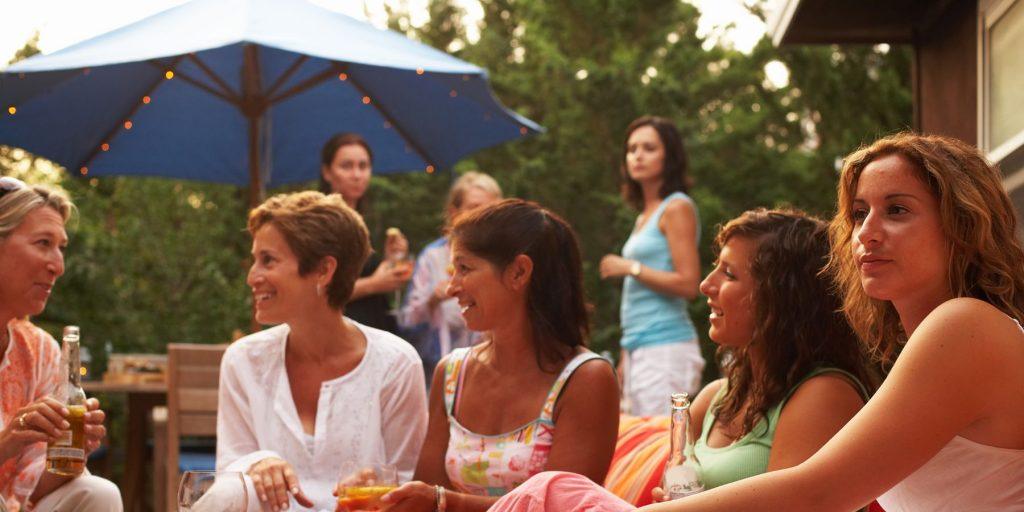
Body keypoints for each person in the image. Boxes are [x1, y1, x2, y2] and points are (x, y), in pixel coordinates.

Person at [497, 133, 1024, 511]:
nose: (867, 232)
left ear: (962, 224)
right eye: (859, 212)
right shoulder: (936, 340)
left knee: (551, 493)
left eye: (898, 210)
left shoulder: (965, 327)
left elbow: (817, 494)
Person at [487, 208, 872, 511]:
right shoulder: (716, 398)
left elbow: (791, 507)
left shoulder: (824, 393)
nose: (707, 285)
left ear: (782, 298)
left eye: (729, 274)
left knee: (553, 489)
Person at [376, 199, 620, 512]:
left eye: (464, 268)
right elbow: (426, 503)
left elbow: (559, 507)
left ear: (519, 272)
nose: (452, 288)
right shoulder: (452, 373)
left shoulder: (584, 379)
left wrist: (447, 503)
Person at [216, 191, 428, 511]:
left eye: (268, 260)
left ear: (323, 271)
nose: (252, 277)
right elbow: (228, 476)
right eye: (255, 259)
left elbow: (414, 487)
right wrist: (256, 464)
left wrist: (379, 488)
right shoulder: (243, 359)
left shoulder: (396, 363)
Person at [0, 177, 122, 512]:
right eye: (43, 243)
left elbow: (32, 486)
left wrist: (71, 451)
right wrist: (7, 442)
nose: (58, 266)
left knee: (98, 493)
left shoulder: (38, 350)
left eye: (61, 247)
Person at [600, 116, 704, 416]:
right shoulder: (645, 214)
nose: (638, 155)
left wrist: (631, 267)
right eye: (632, 149)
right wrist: (625, 353)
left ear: (669, 155)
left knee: (660, 448)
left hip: (666, 347)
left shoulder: (677, 207)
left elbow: (689, 283)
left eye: (649, 147)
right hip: (639, 349)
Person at [398, 171, 503, 380]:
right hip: (436, 370)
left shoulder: (503, 259)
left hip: (489, 370)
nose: (482, 217)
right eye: (474, 208)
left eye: (490, 210)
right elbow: (408, 320)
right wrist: (433, 300)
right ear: (454, 212)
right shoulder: (433, 257)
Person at [320, 133, 411, 334]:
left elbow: (368, 273)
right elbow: (317, 290)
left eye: (363, 166)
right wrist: (374, 284)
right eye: (346, 166)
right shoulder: (320, 223)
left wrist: (392, 259)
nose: (357, 175)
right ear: (327, 172)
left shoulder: (367, 220)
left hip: (376, 324)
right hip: (340, 330)